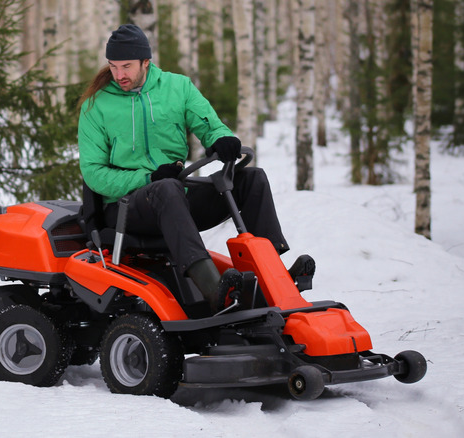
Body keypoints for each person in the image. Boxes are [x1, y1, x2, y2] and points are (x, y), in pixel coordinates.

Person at [78, 24, 302, 313]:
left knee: (251, 179)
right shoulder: (96, 105)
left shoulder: (177, 87)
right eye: (113, 66)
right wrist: (146, 177)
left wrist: (221, 138)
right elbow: (94, 174)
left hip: (175, 199)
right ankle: (214, 291)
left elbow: (209, 124)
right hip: (126, 208)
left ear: (146, 62)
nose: (119, 75)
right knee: (165, 188)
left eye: (126, 66)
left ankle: (274, 276)